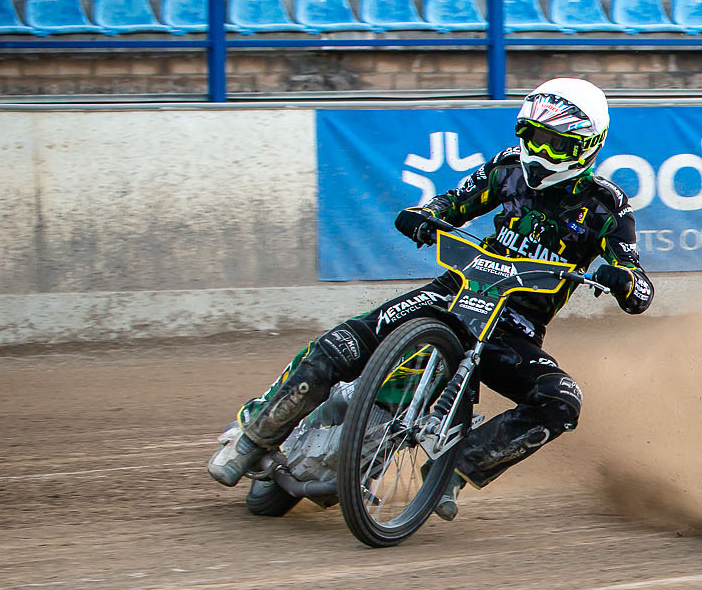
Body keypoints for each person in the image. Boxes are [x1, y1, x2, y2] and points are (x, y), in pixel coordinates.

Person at [209, 79, 652, 509]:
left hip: (512, 329)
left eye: (555, 144)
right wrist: (424, 215)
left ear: (586, 147)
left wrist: (624, 281)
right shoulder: (508, 167)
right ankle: (252, 438)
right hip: (454, 292)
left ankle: (454, 470)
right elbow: (452, 203)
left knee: (562, 400)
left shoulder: (606, 205)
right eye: (533, 137)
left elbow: (641, 288)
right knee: (341, 344)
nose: (540, 152)